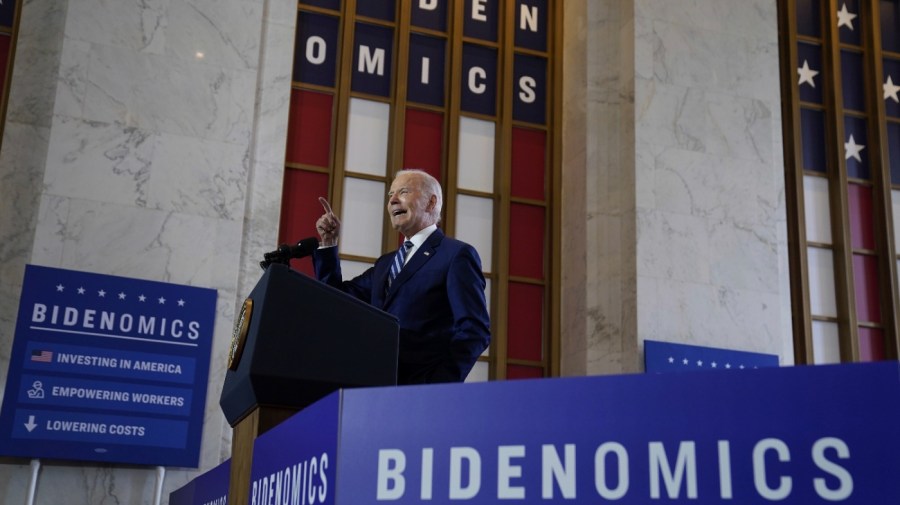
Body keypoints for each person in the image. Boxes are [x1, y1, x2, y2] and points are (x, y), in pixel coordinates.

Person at [313, 169, 491, 384]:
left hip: (423, 390)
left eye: (403, 192)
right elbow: (336, 299)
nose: (393, 200)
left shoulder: (455, 255)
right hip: (374, 385)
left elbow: (475, 329)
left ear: (431, 203)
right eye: (390, 195)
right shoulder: (385, 264)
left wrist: (439, 382)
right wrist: (329, 243)